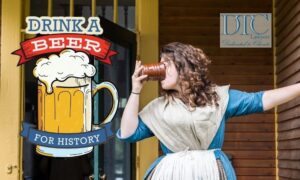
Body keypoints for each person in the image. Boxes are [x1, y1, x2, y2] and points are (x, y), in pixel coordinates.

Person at [116, 42, 298, 180]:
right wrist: (135, 90)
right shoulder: (157, 108)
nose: (161, 69)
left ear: (184, 66)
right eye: (160, 64)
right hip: (171, 173)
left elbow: (260, 100)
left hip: (211, 171)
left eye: (166, 64)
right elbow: (128, 132)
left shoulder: (218, 98)